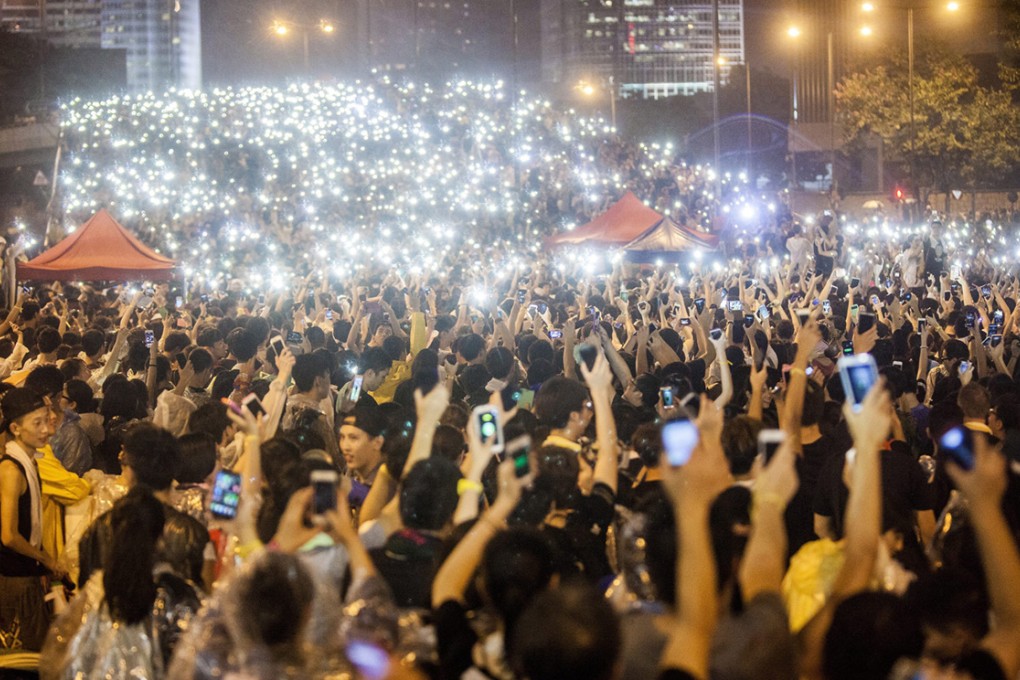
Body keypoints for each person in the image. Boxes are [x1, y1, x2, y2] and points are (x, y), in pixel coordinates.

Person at [0, 388, 63, 653]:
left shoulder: (28, 461)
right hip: (14, 578)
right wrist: (47, 559)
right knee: (27, 657)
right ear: (16, 428)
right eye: (36, 423)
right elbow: (9, 536)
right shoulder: (11, 470)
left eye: (45, 420)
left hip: (27, 572)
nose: (45, 430)